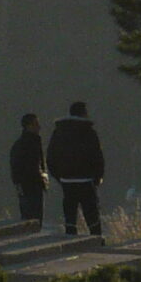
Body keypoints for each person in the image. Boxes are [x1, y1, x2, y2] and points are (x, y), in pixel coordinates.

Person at [46, 100, 105, 238]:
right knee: (91, 213)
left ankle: (70, 240)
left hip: (67, 180)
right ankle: (97, 240)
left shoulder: (59, 132)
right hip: (86, 179)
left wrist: (59, 176)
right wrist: (97, 177)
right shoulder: (89, 132)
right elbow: (97, 157)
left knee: (70, 215)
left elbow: (50, 157)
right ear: (84, 113)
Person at [9, 111, 47, 225]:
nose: (39, 127)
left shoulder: (23, 143)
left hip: (30, 184)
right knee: (33, 218)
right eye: (36, 124)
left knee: (30, 218)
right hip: (30, 185)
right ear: (28, 126)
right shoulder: (28, 144)